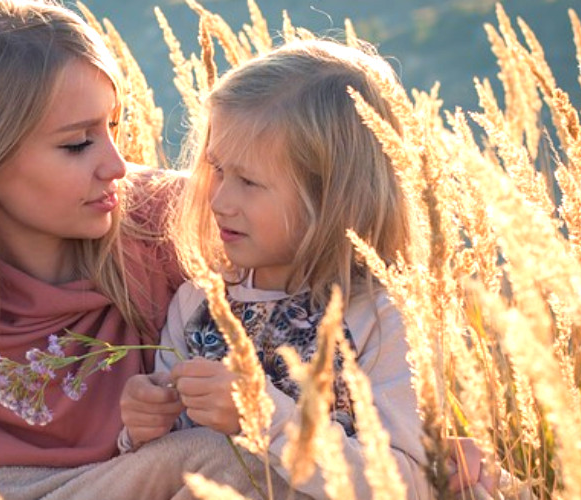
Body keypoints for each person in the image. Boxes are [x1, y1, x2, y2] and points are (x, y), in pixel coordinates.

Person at [0, 1, 239, 498]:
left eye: (112, 128)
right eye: (77, 144)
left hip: (156, 477)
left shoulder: (169, 222)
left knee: (220, 463)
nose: (117, 166)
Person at [116, 40, 440, 499]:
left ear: (332, 197)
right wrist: (142, 429)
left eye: (249, 182)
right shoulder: (199, 302)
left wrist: (261, 412)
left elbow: (407, 484)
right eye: (218, 170)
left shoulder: (383, 318)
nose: (220, 199)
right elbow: (171, 463)